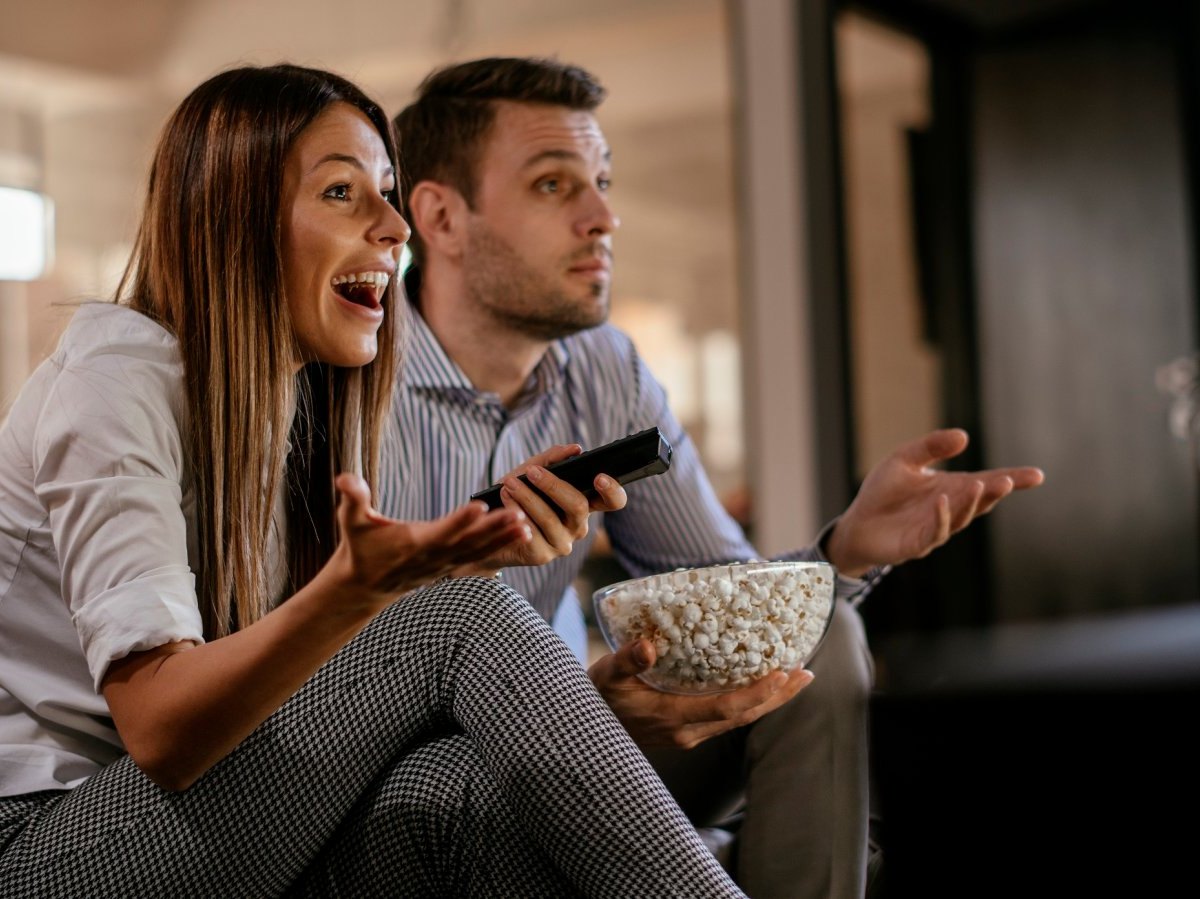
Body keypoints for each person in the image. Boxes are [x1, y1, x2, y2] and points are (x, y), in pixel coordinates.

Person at [0, 63, 757, 898]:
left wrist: (454, 568)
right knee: (462, 615)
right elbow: (162, 729)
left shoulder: (292, 404)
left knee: (451, 788)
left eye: (389, 193)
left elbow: (306, 691)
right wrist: (364, 593)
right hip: (41, 841)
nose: (395, 226)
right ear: (235, 217)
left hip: (195, 816)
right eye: (341, 192)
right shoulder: (116, 380)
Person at [382, 56, 1045, 899]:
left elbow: (719, 594)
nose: (604, 216)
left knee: (819, 634)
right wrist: (573, 708)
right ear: (440, 215)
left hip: (591, 736)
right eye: (555, 185)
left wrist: (842, 553)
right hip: (418, 768)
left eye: (604, 181)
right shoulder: (348, 378)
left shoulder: (607, 368)